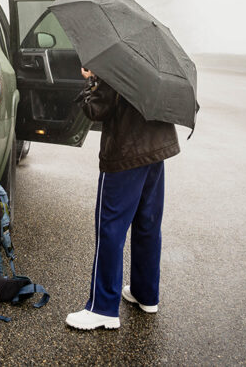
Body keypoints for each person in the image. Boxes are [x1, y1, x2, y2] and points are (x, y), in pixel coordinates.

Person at [65, 68, 180, 331]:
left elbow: (97, 110)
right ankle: (146, 294)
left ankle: (102, 308)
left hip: (126, 154)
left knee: (111, 229)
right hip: (155, 150)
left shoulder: (116, 64)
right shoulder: (156, 63)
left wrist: (92, 81)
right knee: (147, 225)